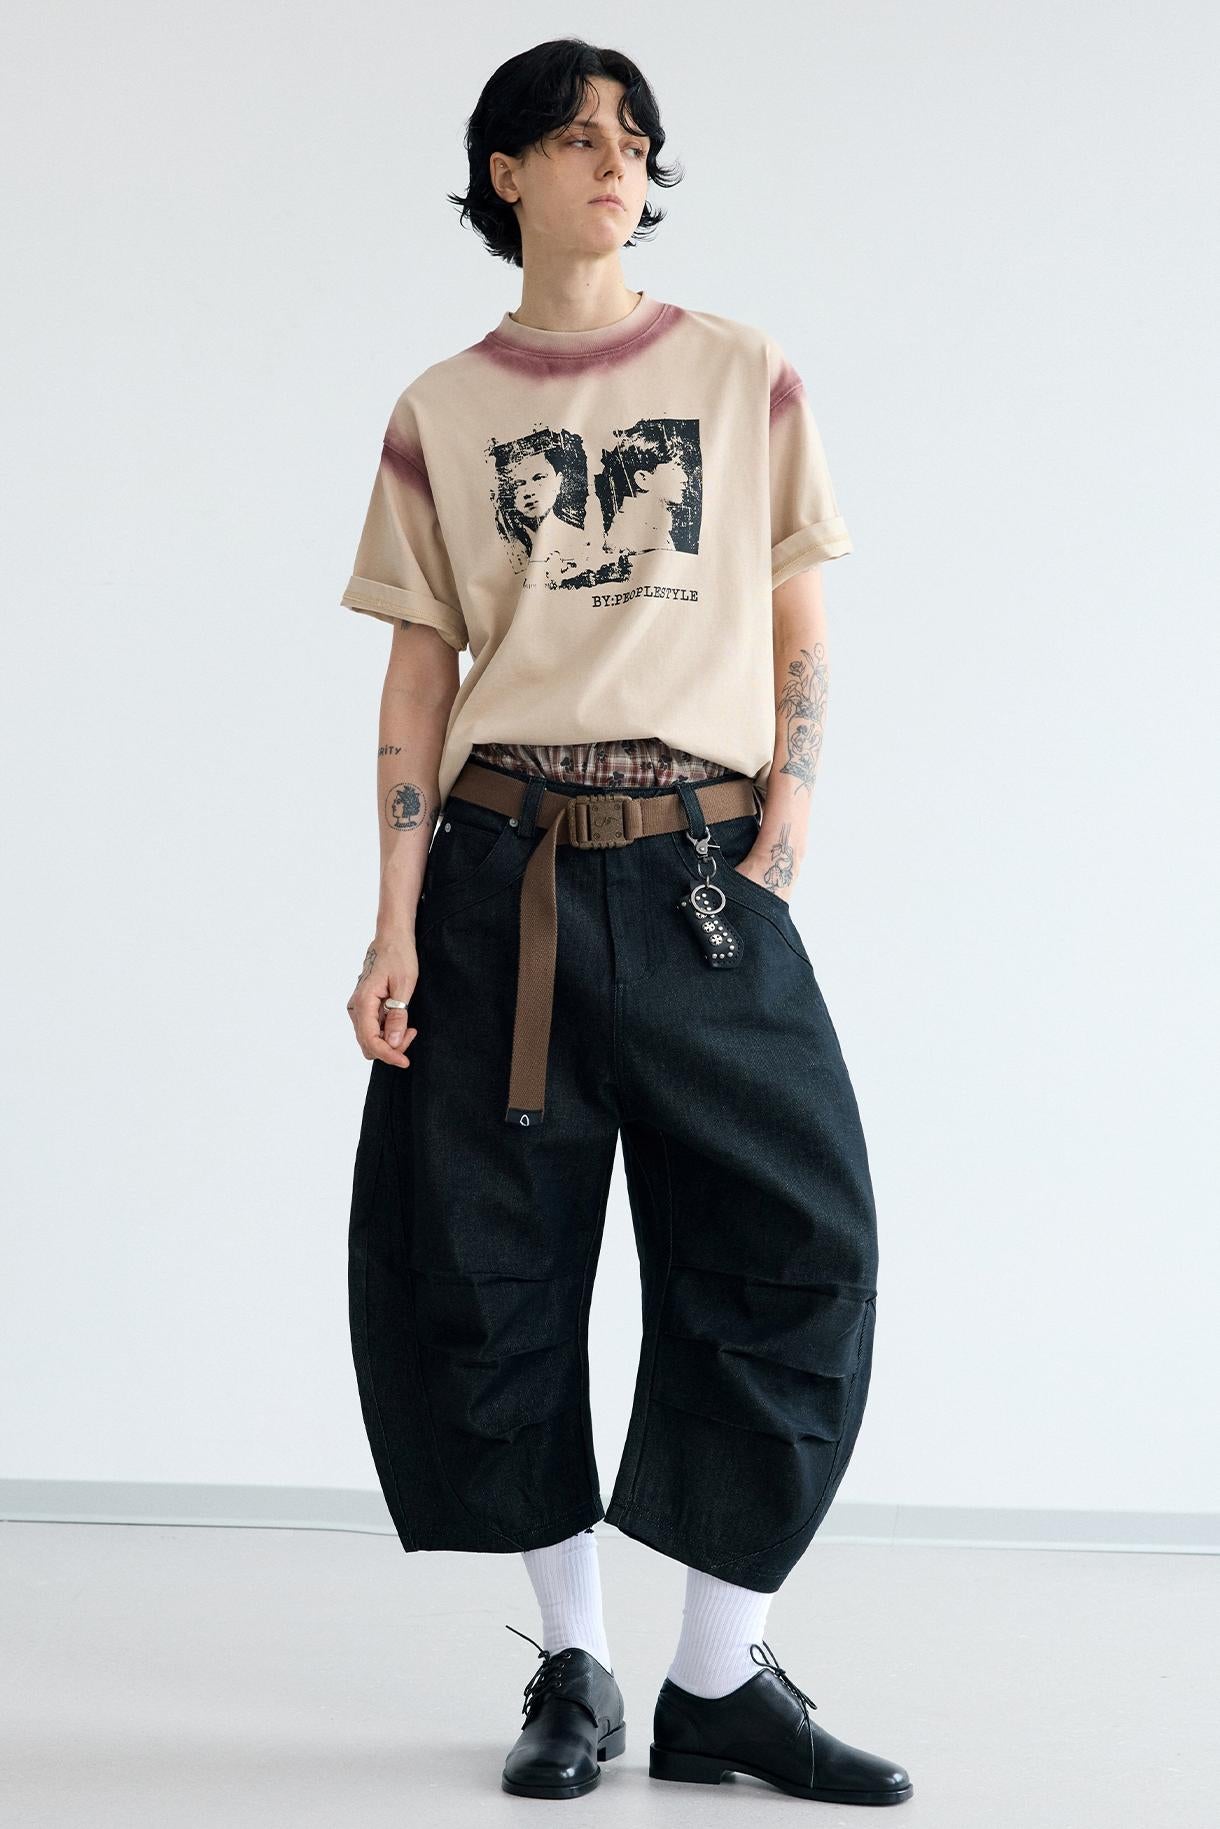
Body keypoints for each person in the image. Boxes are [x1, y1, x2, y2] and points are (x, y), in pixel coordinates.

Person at [340, 36, 911, 1808]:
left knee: (793, 1240)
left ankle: (720, 1675)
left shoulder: (741, 373)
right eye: (579, 136)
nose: (617, 162)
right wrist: (391, 920)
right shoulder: (443, 409)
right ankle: (572, 1663)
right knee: (488, 1263)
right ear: (503, 172)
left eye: (638, 139)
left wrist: (787, 827)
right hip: (496, 876)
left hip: (699, 878)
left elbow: (800, 620)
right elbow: (419, 680)